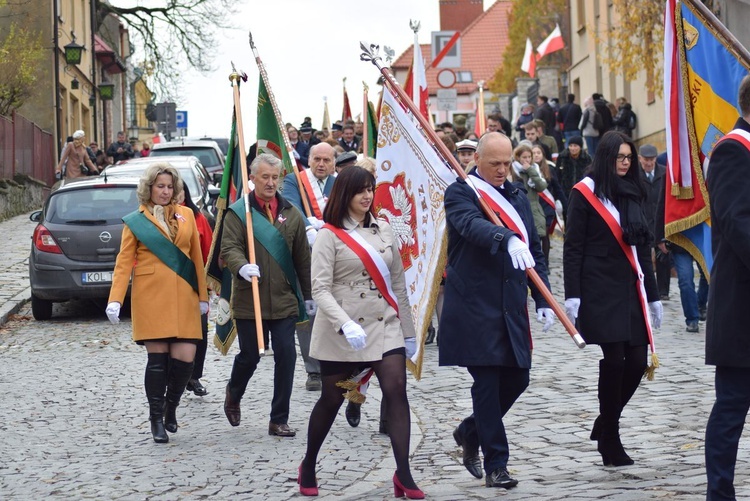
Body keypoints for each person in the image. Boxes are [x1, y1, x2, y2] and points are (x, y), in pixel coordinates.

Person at [298, 166, 422, 498]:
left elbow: (397, 283)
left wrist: (408, 332)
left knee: (396, 389)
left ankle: (404, 474)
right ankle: (309, 463)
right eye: (360, 191)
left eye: (370, 190)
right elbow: (320, 289)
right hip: (344, 330)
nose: (367, 196)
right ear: (345, 195)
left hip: (384, 325)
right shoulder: (329, 234)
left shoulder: (383, 230)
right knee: (333, 399)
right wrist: (345, 322)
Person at [440, 132, 555, 489]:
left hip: (510, 305)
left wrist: (543, 298)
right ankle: (497, 465)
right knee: (487, 384)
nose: (503, 170)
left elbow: (534, 250)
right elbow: (470, 226)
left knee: (518, 378)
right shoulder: (461, 191)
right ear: (477, 159)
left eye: (507, 163)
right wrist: (504, 238)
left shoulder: (518, 195)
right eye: (495, 164)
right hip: (474, 304)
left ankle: (470, 430)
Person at [563, 131, 662, 467]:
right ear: (606, 157)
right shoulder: (584, 193)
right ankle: (611, 439)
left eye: (629, 158)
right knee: (616, 359)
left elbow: (643, 244)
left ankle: (605, 420)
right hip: (598, 287)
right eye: (620, 158)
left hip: (630, 285)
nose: (625, 163)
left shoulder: (634, 190)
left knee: (637, 362)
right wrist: (572, 294)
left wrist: (654, 295)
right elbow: (573, 246)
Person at [106, 163, 209, 443]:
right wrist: (115, 299)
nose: (165, 191)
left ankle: (171, 407)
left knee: (185, 359)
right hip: (151, 296)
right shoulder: (136, 221)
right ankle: (156, 419)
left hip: (185, 295)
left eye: (169, 187)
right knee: (158, 361)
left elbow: (197, 259)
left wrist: (203, 296)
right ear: (149, 188)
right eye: (160, 186)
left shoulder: (187, 214)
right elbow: (124, 261)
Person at [220, 153, 313, 437]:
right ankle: (234, 393)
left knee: (287, 355)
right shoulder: (239, 213)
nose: (271, 183)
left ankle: (278, 418)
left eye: (276, 178)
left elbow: (302, 259)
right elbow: (229, 247)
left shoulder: (292, 213)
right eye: (265, 177)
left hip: (284, 298)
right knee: (251, 355)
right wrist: (241, 266)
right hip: (251, 298)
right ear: (253, 178)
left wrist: (308, 295)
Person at [704, 74, 750, 501]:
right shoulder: (733, 150)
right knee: (733, 406)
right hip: (742, 308)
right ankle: (719, 493)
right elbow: (738, 222)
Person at [282, 142, 336, 394]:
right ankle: (313, 369)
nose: (321, 164)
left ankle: (337, 365)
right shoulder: (295, 181)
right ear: (309, 159)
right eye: (317, 159)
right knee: (309, 310)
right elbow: (291, 206)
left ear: (334, 162)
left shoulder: (339, 182)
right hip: (306, 255)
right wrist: (309, 227)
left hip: (336, 255)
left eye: (326, 159)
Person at [178, 183, 213, 396]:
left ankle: (194, 376)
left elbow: (208, 249)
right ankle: (175, 378)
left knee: (199, 333)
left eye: (178, 191)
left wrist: (210, 283)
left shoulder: (198, 217)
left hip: (195, 285)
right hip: (169, 286)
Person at [639, 144, 670, 301]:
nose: (649, 163)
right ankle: (644, 288)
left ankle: (663, 291)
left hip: (660, 220)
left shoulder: (664, 172)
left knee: (663, 255)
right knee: (643, 257)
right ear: (640, 159)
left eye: (651, 160)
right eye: (646, 160)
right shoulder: (635, 175)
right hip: (643, 219)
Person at [512, 143, 549, 267]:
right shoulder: (514, 170)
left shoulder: (534, 169)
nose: (527, 160)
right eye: (524, 157)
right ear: (518, 158)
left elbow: (541, 186)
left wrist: (531, 170)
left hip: (534, 207)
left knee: (539, 236)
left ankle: (541, 264)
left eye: (529, 157)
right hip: (519, 207)